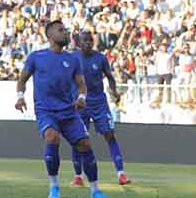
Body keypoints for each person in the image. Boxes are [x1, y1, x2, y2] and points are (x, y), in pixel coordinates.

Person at [14, 21, 108, 198]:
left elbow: (81, 84)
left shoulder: (72, 59)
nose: (65, 33)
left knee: (85, 144)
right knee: (52, 137)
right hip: (46, 110)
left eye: (65, 30)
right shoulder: (36, 56)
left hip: (69, 111)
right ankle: (54, 187)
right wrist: (20, 97)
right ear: (50, 36)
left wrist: (81, 98)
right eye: (61, 30)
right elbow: (22, 79)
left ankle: (95, 190)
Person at [69, 31, 131, 187]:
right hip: (80, 103)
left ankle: (121, 174)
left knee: (110, 135)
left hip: (99, 103)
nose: (89, 43)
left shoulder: (101, 58)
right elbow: (67, 78)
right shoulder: (72, 58)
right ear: (79, 42)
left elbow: (109, 76)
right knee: (77, 139)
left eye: (91, 40)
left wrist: (114, 91)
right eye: (85, 40)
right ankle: (78, 176)